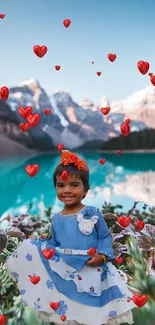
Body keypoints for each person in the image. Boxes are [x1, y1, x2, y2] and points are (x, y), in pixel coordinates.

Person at [5, 150, 136, 325]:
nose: (67, 190)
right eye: (61, 185)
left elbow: (104, 237)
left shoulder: (92, 212)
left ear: (85, 190)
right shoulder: (57, 218)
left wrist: (102, 256)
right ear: (56, 187)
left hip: (91, 267)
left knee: (94, 306)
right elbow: (56, 243)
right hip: (66, 265)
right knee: (70, 303)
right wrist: (40, 247)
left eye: (74, 185)